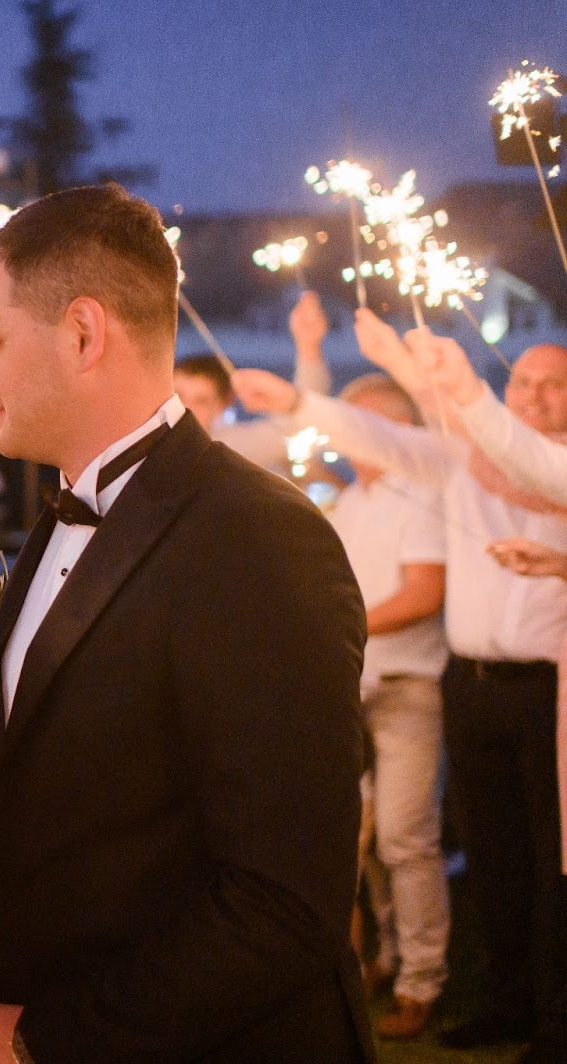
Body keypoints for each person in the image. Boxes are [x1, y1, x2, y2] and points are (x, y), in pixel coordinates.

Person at [0, 185, 370, 1064]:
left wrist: (38, 1039)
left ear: (85, 334)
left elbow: (285, 903)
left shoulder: (258, 540)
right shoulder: (60, 517)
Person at [236, 323, 567, 1061]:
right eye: (524, 382)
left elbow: (450, 447)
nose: (535, 396)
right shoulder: (458, 465)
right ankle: (505, 1001)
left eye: (554, 384)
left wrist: (429, 380)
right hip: (469, 682)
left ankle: (548, 1020)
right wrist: (299, 392)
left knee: (543, 861)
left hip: (545, 688)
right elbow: (380, 438)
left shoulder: (540, 468)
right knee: (493, 854)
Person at [324, 374, 451, 1039]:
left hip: (405, 688)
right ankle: (388, 957)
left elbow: (425, 593)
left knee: (405, 835)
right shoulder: (353, 502)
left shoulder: (421, 495)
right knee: (364, 841)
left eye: (355, 424)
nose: (343, 436)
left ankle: (423, 980)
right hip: (355, 685)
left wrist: (345, 624)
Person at [171, 291, 332, 470]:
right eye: (178, 395)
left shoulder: (229, 451)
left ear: (222, 406)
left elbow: (299, 422)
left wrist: (308, 346)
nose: (184, 408)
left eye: (201, 401)